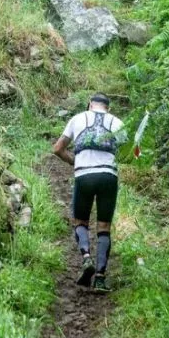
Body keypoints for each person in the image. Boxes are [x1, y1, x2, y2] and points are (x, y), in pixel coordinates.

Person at [52, 93, 127, 292]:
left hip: (84, 176)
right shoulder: (117, 122)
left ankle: (86, 258)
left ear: (89, 105)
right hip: (108, 176)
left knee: (80, 222)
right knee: (104, 227)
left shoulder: (77, 119)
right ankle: (100, 279)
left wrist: (75, 161)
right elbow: (126, 152)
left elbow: (58, 148)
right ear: (107, 108)